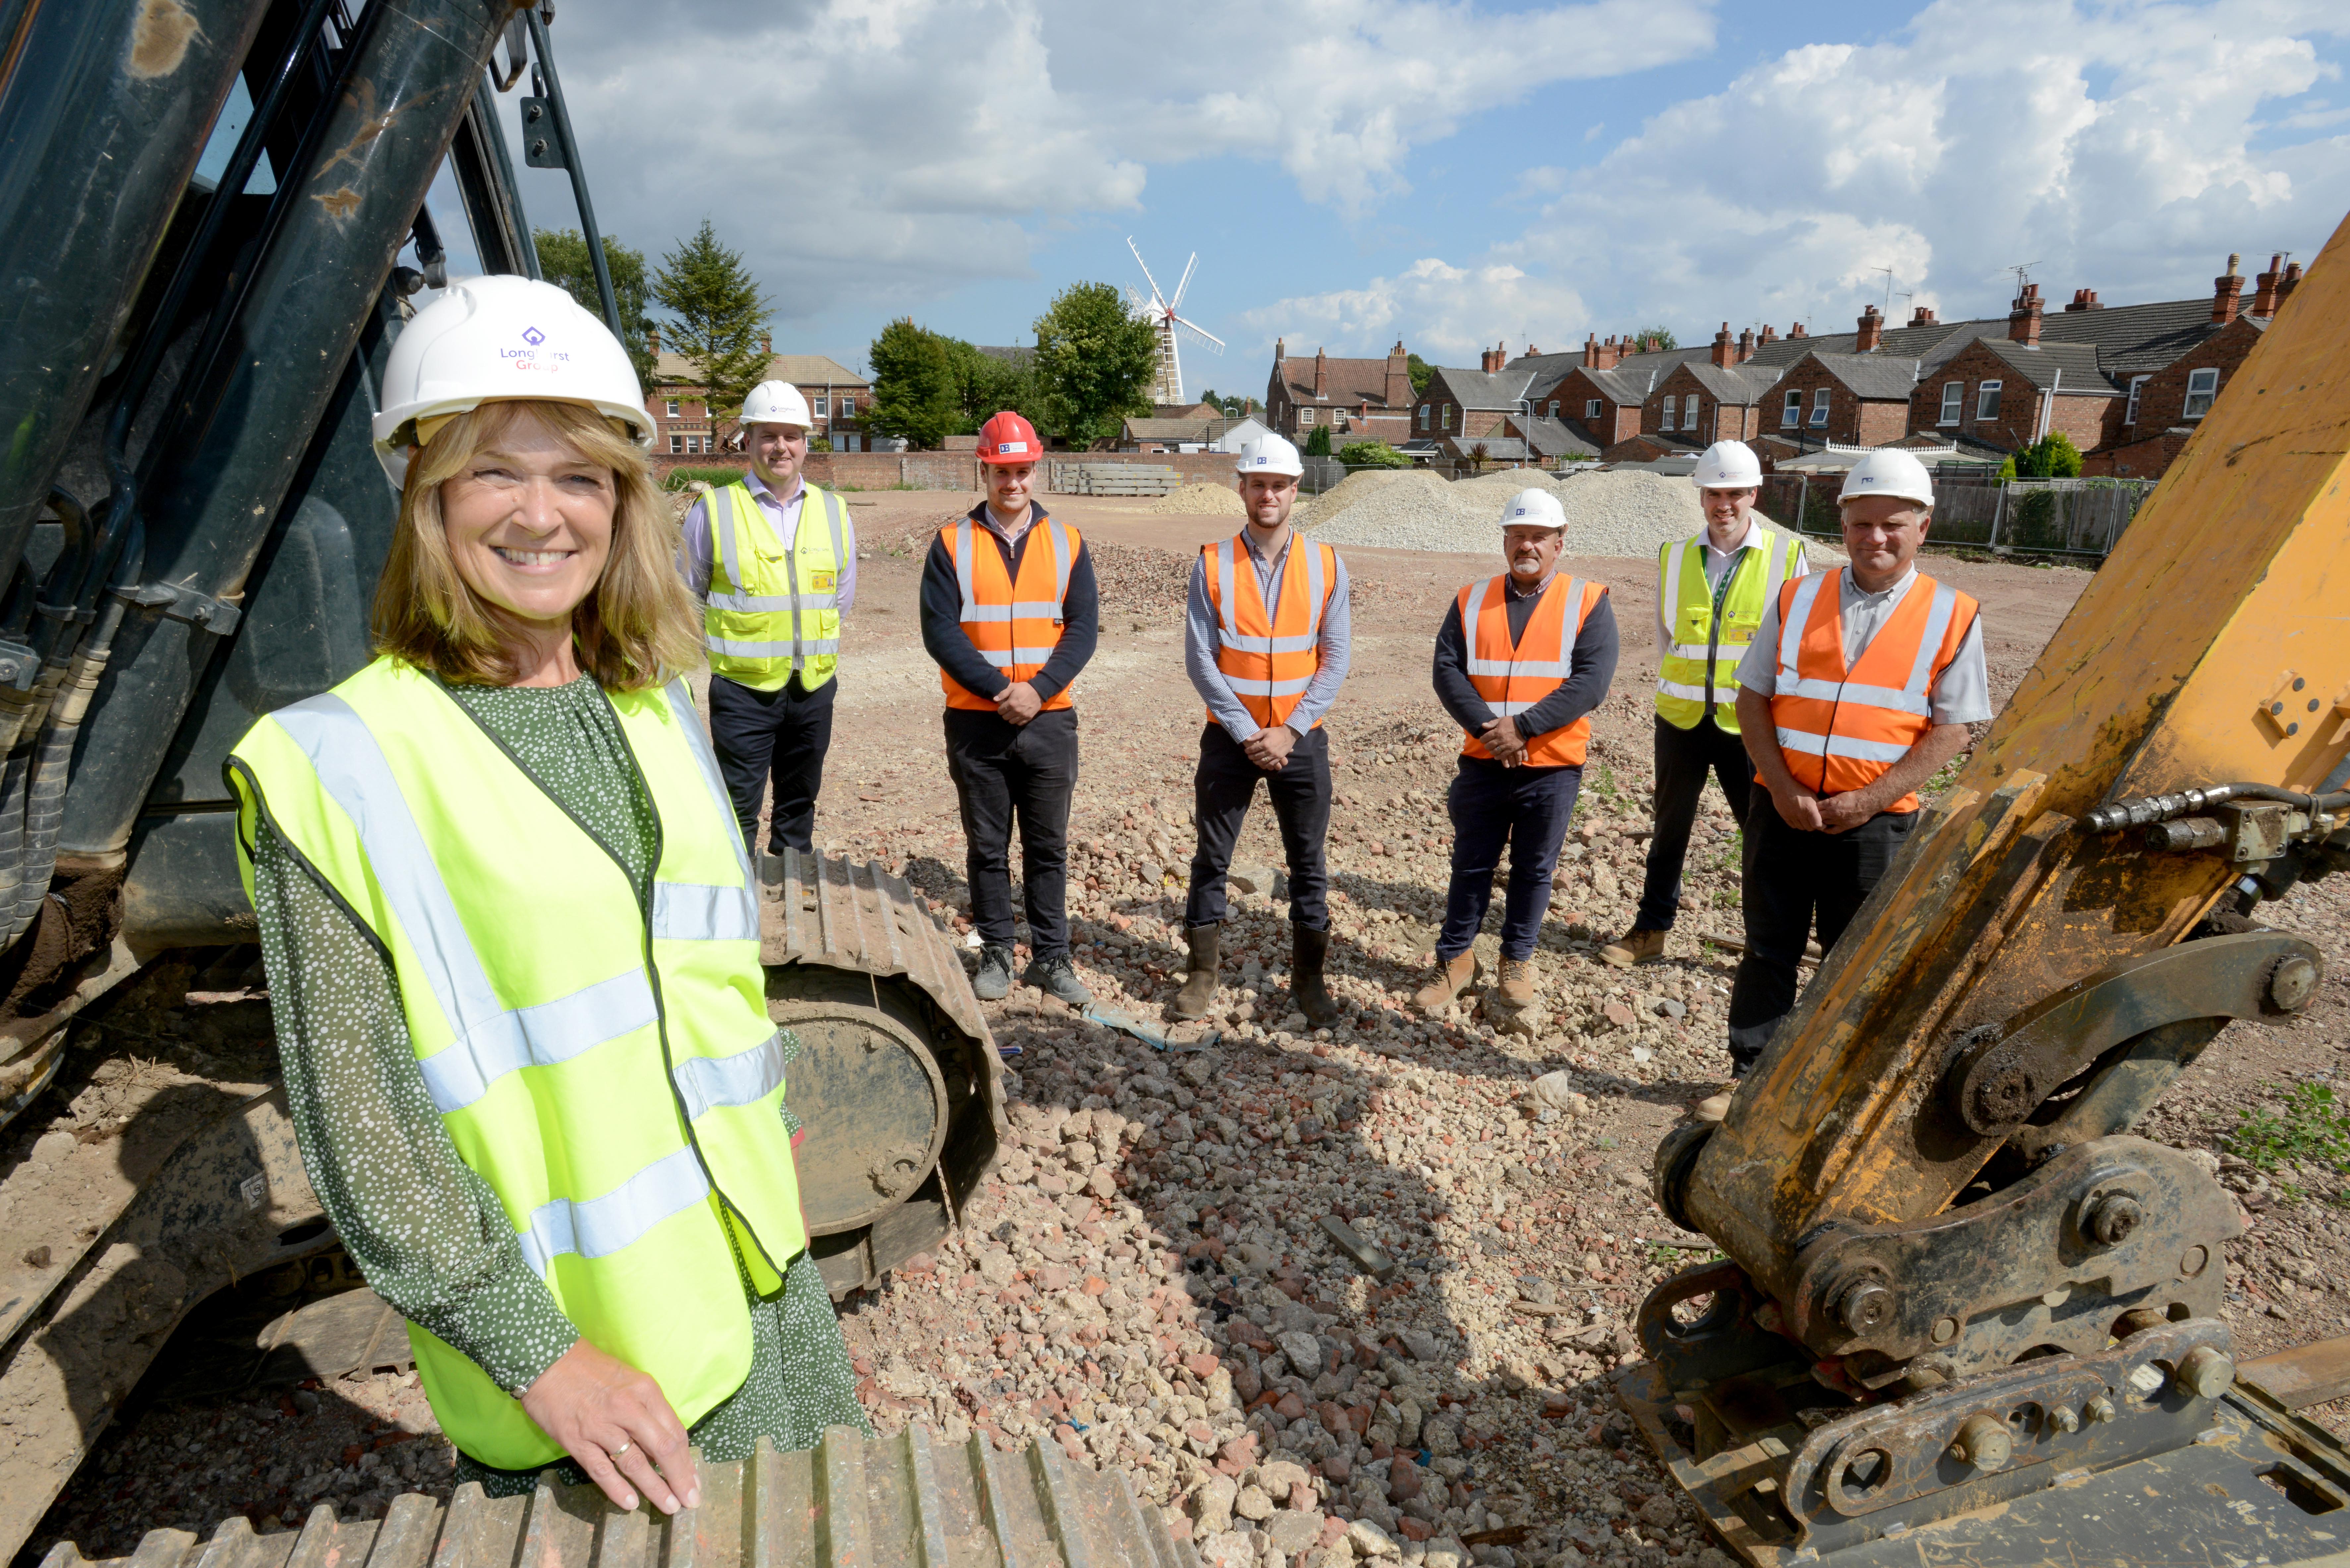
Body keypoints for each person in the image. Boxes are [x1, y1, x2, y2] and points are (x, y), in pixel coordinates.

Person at [224, 276, 866, 1512]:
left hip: (761, 1287)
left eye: (579, 477)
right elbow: (367, 1124)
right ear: (426, 496)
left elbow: (702, 987)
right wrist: (545, 1361)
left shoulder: (652, 706)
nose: (542, 514)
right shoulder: (339, 767)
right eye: (495, 473)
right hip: (595, 1376)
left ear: (623, 503)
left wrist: (754, 1153)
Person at [1708, 447, 1987, 1120]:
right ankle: (1751, 1083)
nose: (1875, 538)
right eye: (1861, 523)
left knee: (1853, 961)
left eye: (1892, 523)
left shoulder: (1952, 614)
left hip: (1876, 822)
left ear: (1923, 524)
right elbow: (1751, 698)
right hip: (1782, 808)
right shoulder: (1797, 597)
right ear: (1842, 525)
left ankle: (1831, 1091)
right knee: (1767, 946)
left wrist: (1867, 799)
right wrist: (1777, 786)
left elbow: (1951, 731)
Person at [1603, 440, 1807, 968]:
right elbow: (1665, 637)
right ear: (1700, 497)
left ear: (1753, 495)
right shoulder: (1674, 556)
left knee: (1761, 835)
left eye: (1736, 493)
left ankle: (1772, 940)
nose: (1725, 505)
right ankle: (1651, 930)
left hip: (1750, 726)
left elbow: (1795, 647)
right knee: (1669, 829)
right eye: (1715, 493)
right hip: (1681, 720)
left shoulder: (1786, 557)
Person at [1170, 432, 1351, 1028]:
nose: (1267, 494)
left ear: (1296, 490)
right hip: (1231, 738)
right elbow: (1202, 660)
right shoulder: (1211, 562)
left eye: (1278, 485)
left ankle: (1309, 981)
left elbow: (1335, 657)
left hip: (1300, 741)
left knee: (1308, 862)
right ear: (1241, 488)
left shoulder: (1326, 565)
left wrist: (1290, 732)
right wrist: (1251, 731)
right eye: (1257, 484)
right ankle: (1201, 975)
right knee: (1211, 857)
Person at [920, 410, 1099, 1006]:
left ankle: (1051, 957)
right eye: (1001, 472)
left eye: (1022, 471)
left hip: (1049, 720)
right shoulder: (951, 544)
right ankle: (996, 949)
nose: (1012, 483)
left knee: (1047, 846)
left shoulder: (1068, 542)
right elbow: (941, 632)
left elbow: (1082, 630)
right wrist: (1004, 690)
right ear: (984, 469)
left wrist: (1038, 689)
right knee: (987, 844)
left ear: (1035, 469)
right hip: (977, 720)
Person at [1417, 488, 1618, 1014]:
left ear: (1559, 542)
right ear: (1504, 540)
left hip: (1551, 765)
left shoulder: (1589, 600)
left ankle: (1517, 958)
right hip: (1483, 759)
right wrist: (1491, 729)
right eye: (1517, 536)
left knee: (1533, 869)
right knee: (1470, 864)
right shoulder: (1469, 599)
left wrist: (1523, 729)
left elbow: (1591, 683)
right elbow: (1446, 670)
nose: (1526, 546)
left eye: (1537, 538)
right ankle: (1455, 958)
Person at [679, 379, 854, 859]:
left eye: (791, 436)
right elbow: (687, 598)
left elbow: (841, 598)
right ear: (748, 441)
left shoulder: (834, 510)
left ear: (805, 442)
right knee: (737, 805)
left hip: (813, 687)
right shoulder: (712, 510)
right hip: (742, 690)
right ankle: (737, 905)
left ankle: (788, 884)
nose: (781, 447)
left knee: (800, 801)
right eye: (768, 436)